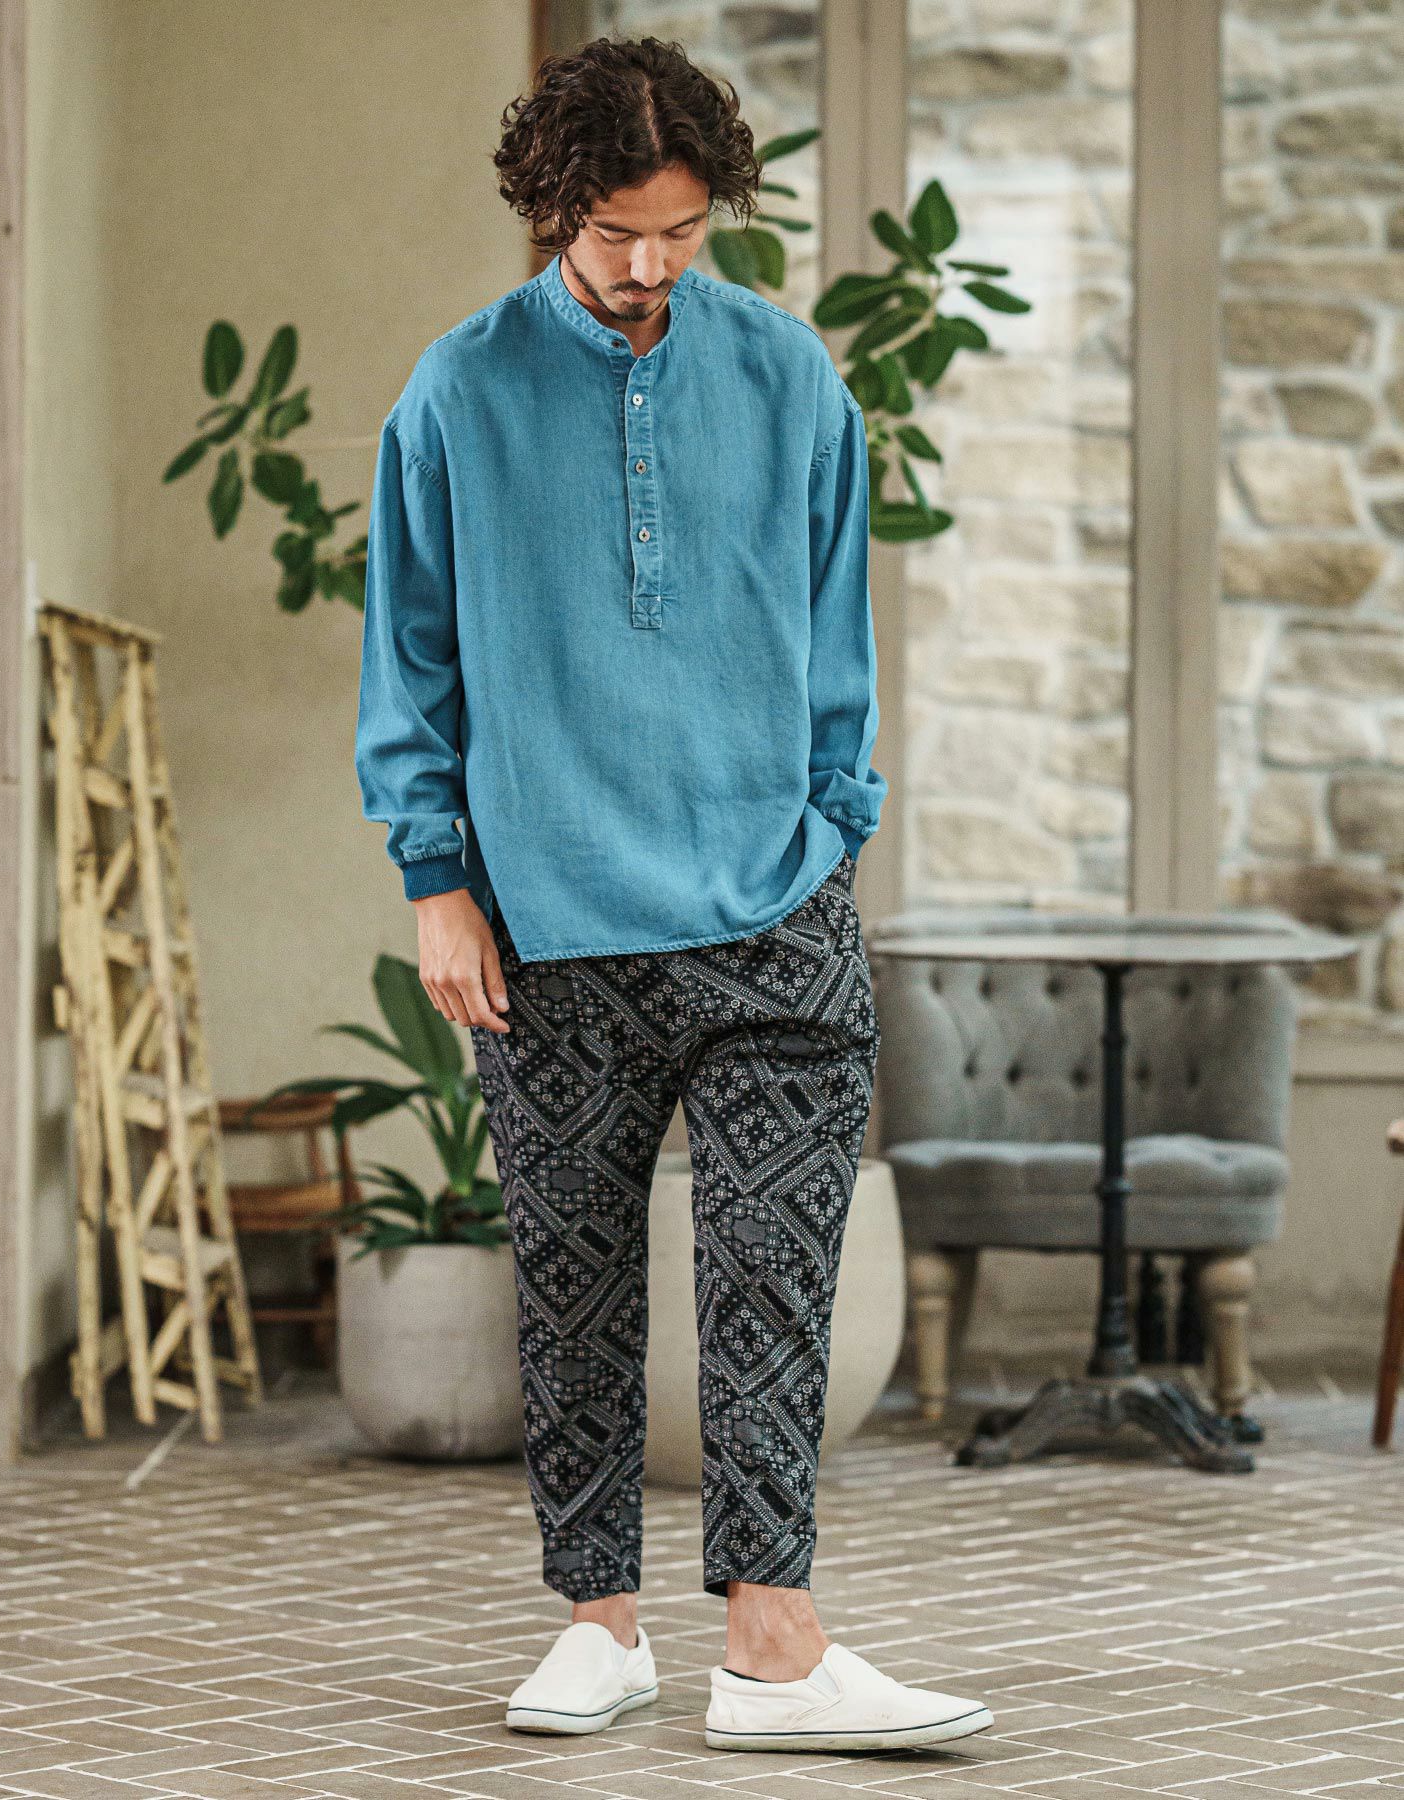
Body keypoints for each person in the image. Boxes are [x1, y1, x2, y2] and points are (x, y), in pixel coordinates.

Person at [355, 33, 994, 1756]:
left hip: (774, 909)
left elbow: (840, 633)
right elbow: (410, 662)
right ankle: (600, 1625)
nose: (648, 265)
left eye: (683, 232)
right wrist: (436, 881)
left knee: (775, 1278)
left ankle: (776, 1646)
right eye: (617, 232)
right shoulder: (457, 393)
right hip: (552, 924)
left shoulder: (789, 376)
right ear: (551, 205)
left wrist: (834, 828)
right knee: (571, 1282)